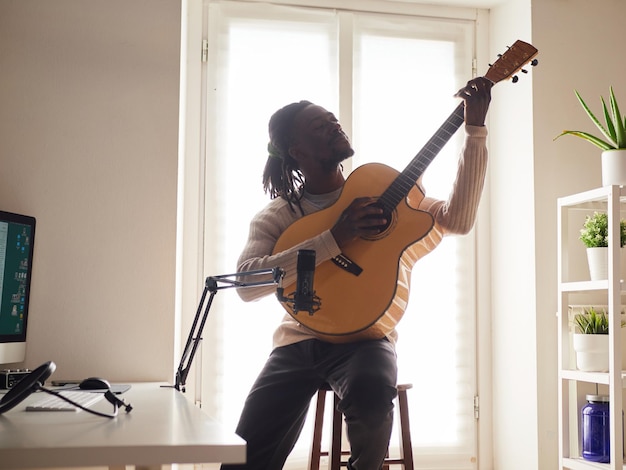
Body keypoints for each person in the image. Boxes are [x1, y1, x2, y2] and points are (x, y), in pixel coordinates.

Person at [221, 77, 493, 470]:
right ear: (298, 151)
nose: (335, 127)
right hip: (297, 342)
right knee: (245, 453)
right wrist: (335, 237)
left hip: (365, 339)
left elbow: (459, 219)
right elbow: (247, 285)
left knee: (370, 400)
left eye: (334, 121)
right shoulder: (280, 215)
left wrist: (475, 131)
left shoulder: (382, 192)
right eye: (321, 126)